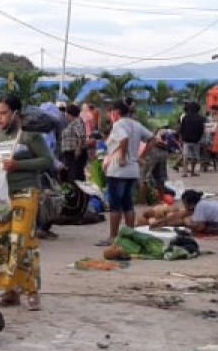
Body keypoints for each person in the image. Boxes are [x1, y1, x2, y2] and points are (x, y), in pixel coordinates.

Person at [0, 94, 52, 312]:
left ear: (15, 113)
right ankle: (9, 291)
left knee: (22, 240)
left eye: (3, 113)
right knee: (0, 240)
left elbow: (47, 161)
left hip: (26, 191)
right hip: (1, 196)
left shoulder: (29, 136)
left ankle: (31, 290)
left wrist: (18, 165)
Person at [100, 100, 152, 246]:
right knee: (128, 203)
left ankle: (113, 237)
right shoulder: (136, 124)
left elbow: (124, 139)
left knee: (115, 205)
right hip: (132, 170)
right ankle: (130, 234)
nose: (110, 115)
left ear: (116, 111)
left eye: (110, 112)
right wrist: (140, 157)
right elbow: (152, 139)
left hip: (118, 170)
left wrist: (122, 157)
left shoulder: (118, 125)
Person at [60, 103, 88, 182]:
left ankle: (78, 193)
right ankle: (75, 193)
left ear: (69, 113)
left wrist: (78, 149)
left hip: (74, 153)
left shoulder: (77, 121)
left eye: (66, 113)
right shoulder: (72, 123)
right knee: (72, 175)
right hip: (70, 153)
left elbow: (81, 135)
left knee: (75, 176)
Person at [179, 101, 205, 177]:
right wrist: (199, 138)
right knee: (194, 156)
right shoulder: (200, 118)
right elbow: (201, 130)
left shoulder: (185, 118)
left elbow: (182, 129)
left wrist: (181, 138)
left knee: (185, 156)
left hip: (186, 140)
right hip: (196, 141)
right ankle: (192, 172)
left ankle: (185, 172)